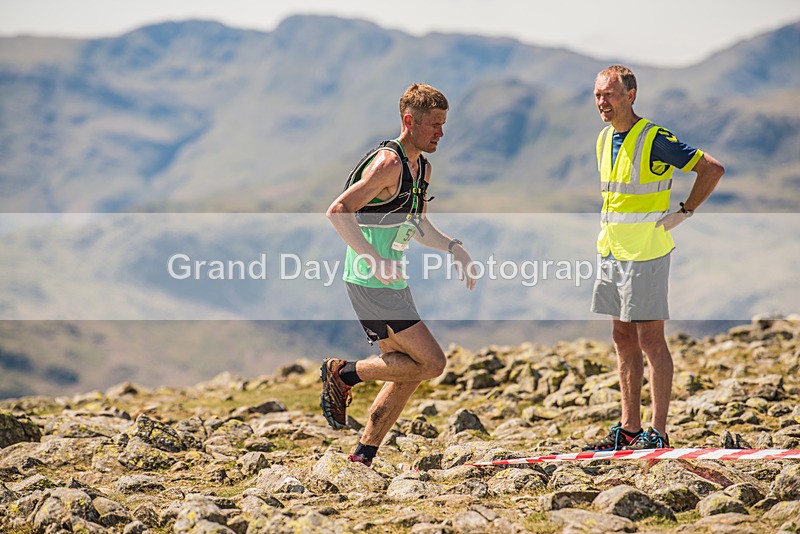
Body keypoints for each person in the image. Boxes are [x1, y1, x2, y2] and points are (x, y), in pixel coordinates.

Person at [321, 83, 476, 466]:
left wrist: (454, 247)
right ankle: (344, 374)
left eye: (443, 124)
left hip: (393, 281)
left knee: (406, 373)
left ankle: (363, 455)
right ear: (410, 121)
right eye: (435, 125)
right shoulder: (388, 163)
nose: (441, 133)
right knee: (433, 363)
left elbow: (419, 226)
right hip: (369, 280)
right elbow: (338, 211)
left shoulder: (422, 166)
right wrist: (373, 258)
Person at [585, 65, 724, 451]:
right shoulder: (603, 138)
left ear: (630, 95)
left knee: (650, 340)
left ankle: (657, 433)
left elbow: (711, 169)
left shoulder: (655, 139)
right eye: (597, 95)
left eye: (609, 95)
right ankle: (629, 429)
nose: (602, 102)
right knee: (621, 337)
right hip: (612, 251)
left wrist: (685, 211)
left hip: (645, 254)